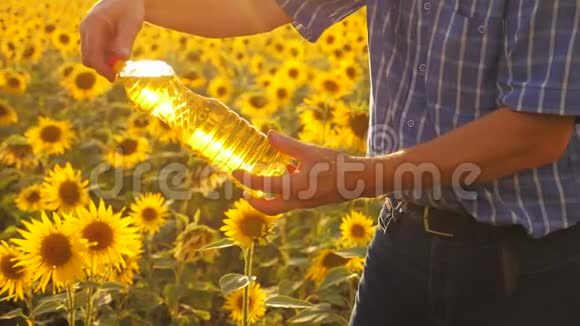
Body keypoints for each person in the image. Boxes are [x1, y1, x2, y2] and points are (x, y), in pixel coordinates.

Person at [80, 1, 580, 325]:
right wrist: (136, 3)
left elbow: (534, 133)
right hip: (402, 244)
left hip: (529, 268)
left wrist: (358, 176)